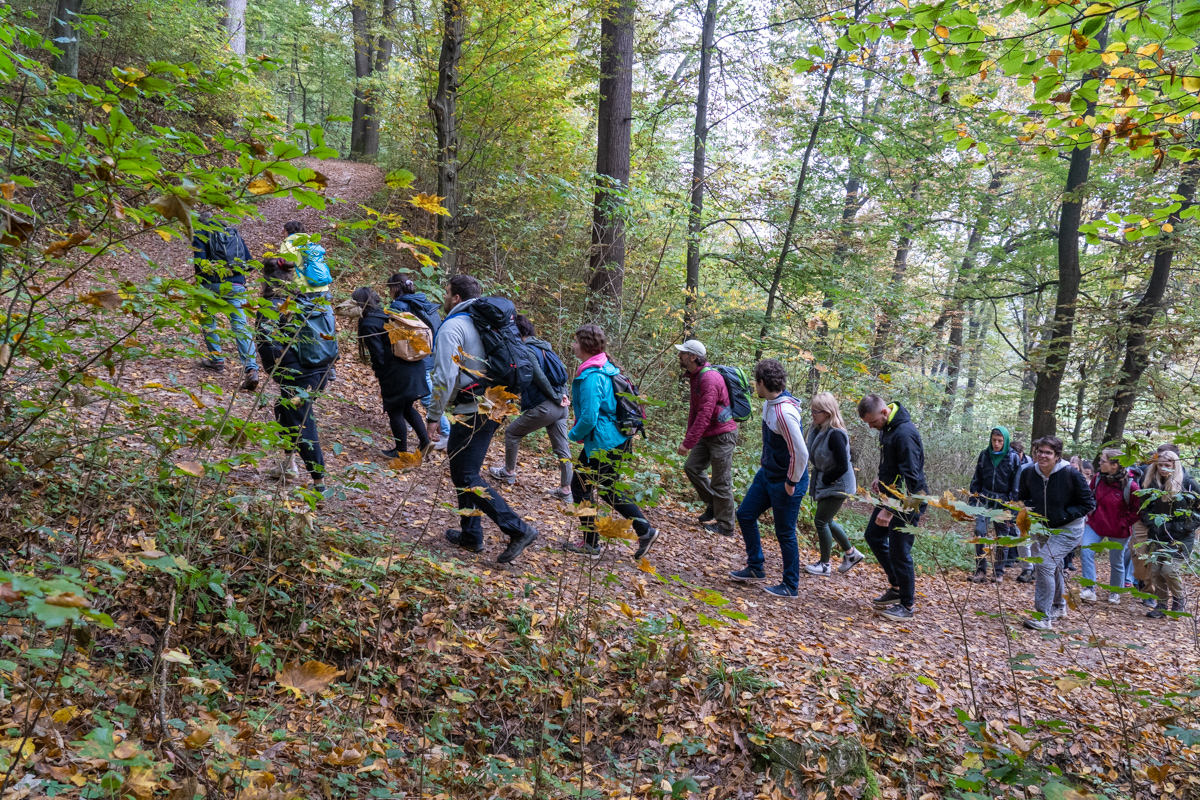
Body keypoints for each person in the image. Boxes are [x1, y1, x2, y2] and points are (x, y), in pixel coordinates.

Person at [426, 274, 538, 564]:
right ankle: (470, 534)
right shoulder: (493, 323)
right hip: (497, 404)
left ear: (457, 298)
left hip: (472, 408)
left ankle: (517, 529)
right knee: (464, 469)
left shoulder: (453, 326)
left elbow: (444, 376)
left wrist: (434, 415)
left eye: (447, 292)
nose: (444, 297)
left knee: (466, 474)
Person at [562, 324, 659, 560]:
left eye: (575, 342)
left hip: (603, 442)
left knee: (583, 487)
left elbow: (589, 417)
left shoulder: (592, 375)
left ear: (584, 346)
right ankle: (642, 530)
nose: (572, 345)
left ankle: (593, 542)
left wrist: (572, 435)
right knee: (604, 487)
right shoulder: (605, 366)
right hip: (615, 438)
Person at [727, 359, 810, 597]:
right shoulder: (770, 403)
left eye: (756, 382)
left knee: (785, 532)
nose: (755, 386)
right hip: (768, 474)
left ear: (762, 383)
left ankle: (790, 585)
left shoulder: (784, 412)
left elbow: (801, 452)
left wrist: (791, 482)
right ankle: (755, 567)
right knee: (745, 514)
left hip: (786, 480)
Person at [255, 258, 329, 491]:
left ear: (267, 282)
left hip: (299, 376)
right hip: (320, 371)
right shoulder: (302, 301)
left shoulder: (270, 307)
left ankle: (320, 485)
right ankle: (288, 465)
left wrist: (279, 373)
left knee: (302, 423)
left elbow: (266, 347)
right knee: (282, 409)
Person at [856, 394, 928, 621]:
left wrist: (891, 510)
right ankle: (897, 587)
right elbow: (893, 465)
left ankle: (907, 606)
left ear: (885, 412)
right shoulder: (888, 429)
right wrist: (882, 480)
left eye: (873, 422)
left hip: (909, 503)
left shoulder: (904, 434)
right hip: (890, 498)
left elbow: (912, 480)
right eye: (867, 423)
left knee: (900, 552)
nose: (871, 426)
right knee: (874, 536)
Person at [488, 315, 573, 500]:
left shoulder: (526, 350)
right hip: (561, 408)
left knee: (512, 433)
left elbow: (539, 377)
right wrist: (564, 396)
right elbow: (563, 374)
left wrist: (556, 397)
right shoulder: (546, 347)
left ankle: (508, 472)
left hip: (546, 406)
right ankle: (566, 490)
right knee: (562, 449)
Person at [1019, 436, 1096, 631]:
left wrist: (1063, 515)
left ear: (1057, 456)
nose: (1042, 456)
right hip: (1043, 527)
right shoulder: (1029, 472)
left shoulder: (1071, 474)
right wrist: (1026, 515)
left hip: (1069, 528)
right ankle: (1060, 607)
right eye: (1039, 451)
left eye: (1048, 453)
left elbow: (1088, 504)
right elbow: (1022, 499)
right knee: (1052, 566)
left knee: (1044, 564)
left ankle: (1043, 618)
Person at [352, 287, 430, 458]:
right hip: (414, 366)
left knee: (395, 410)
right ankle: (425, 440)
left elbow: (377, 355)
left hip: (396, 372)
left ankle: (400, 452)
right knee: (406, 407)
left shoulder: (369, 323)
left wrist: (381, 374)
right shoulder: (387, 314)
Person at [675, 339, 739, 536]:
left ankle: (726, 525)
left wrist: (688, 443)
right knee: (692, 467)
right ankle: (713, 504)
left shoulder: (709, 378)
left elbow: (704, 413)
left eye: (683, 353)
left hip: (722, 435)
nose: (680, 356)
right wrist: (689, 437)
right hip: (707, 433)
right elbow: (694, 411)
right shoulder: (695, 376)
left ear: (693, 357)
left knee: (721, 481)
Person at [192, 213, 259, 391]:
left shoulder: (201, 234)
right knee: (240, 325)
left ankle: (217, 359)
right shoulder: (233, 233)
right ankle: (251, 368)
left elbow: (201, 264)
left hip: (210, 285)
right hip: (236, 285)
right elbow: (250, 264)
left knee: (209, 321)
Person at [803, 391, 865, 576]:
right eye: (812, 411)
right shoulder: (818, 429)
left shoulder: (836, 434)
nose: (813, 415)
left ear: (828, 413)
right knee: (827, 520)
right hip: (828, 481)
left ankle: (824, 565)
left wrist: (827, 480)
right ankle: (851, 554)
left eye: (816, 412)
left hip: (839, 484)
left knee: (820, 521)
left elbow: (842, 465)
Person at [387, 273, 450, 450]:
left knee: (427, 396)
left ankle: (446, 432)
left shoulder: (399, 306)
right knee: (415, 393)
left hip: (413, 357)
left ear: (395, 288)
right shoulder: (425, 303)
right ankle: (409, 423)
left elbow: (393, 335)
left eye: (390, 288)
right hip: (429, 354)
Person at [1139, 450, 1199, 618]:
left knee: (1169, 570)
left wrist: (1186, 527)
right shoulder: (1152, 482)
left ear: (1175, 464)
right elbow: (1145, 508)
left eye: (1168, 465)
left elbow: (1198, 509)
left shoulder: (1188, 483)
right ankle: (1162, 605)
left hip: (1181, 537)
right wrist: (1151, 523)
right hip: (1158, 534)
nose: (1164, 468)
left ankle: (1179, 600)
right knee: (1156, 570)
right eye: (1161, 465)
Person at [1080, 449, 1139, 604]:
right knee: (1086, 551)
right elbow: (1089, 495)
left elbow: (1138, 510)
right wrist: (1091, 512)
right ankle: (1089, 589)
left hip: (1118, 530)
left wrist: (1123, 523)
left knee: (1116, 561)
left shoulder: (1131, 486)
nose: (1099, 463)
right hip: (1096, 524)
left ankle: (1115, 592)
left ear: (1114, 465)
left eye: (1103, 461)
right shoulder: (1098, 478)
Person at [968, 426, 1022, 583]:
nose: (996, 444)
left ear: (1005, 441)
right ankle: (980, 570)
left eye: (1000, 441)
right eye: (994, 440)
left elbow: (1016, 484)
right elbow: (976, 478)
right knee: (979, 532)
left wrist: (1012, 509)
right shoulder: (984, 455)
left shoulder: (1012, 458)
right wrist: (973, 499)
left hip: (1003, 502)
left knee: (1002, 537)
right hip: (984, 499)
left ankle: (998, 572)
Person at [279, 220, 333, 295]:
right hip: (322, 287)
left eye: (284, 231)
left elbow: (287, 263)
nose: (282, 234)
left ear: (287, 231)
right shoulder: (311, 242)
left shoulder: (287, 244)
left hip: (304, 288)